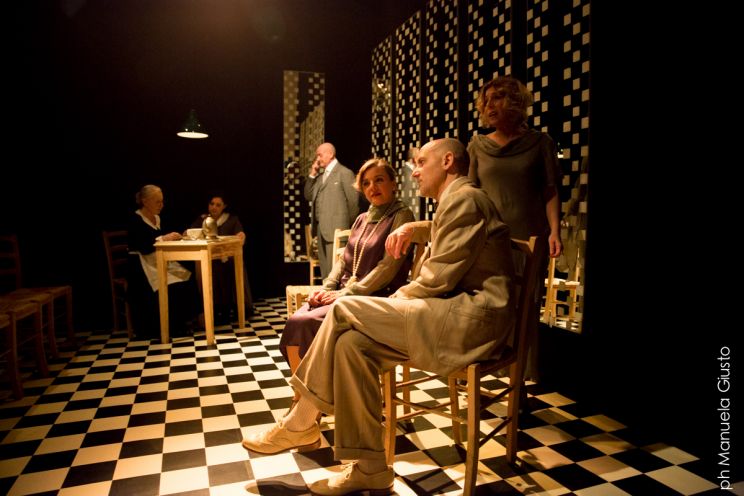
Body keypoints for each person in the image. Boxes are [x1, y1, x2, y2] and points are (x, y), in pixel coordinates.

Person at [242, 138, 515, 495]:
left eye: (421, 162)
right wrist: (415, 228)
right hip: (452, 313)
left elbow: (438, 277)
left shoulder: (465, 199)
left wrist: (397, 298)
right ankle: (369, 468)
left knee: (344, 308)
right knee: (351, 345)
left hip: (470, 322)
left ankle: (301, 420)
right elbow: (443, 236)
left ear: (448, 161)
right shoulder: (457, 200)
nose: (414, 171)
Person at [467, 75, 563, 380]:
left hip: (529, 235)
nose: (490, 105)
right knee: (492, 301)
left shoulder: (540, 143)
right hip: (490, 238)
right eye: (486, 100)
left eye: (498, 97)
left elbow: (550, 190)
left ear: (516, 101)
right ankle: (489, 366)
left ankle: (521, 373)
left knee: (526, 303)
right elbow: (469, 192)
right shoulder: (478, 145)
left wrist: (555, 231)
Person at [280, 158, 414, 373]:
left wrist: (345, 293)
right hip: (345, 293)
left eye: (379, 180)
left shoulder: (402, 216)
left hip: (374, 297)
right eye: (366, 183)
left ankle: (316, 387)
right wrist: (326, 289)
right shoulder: (361, 218)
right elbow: (344, 259)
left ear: (393, 183)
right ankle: (302, 389)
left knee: (305, 321)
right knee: (296, 321)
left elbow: (387, 268)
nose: (372, 187)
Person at [127, 184, 198, 340]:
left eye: (162, 201)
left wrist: (178, 236)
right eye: (157, 202)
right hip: (141, 266)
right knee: (170, 283)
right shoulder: (135, 219)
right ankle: (163, 326)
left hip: (159, 261)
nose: (161, 205)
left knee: (186, 276)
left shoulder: (158, 218)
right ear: (145, 201)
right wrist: (164, 238)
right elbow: (141, 245)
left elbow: (163, 239)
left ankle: (181, 323)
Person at [188, 192, 255, 323]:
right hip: (209, 258)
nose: (214, 207)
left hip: (228, 258)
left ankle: (238, 308)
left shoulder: (231, 219)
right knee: (203, 267)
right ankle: (212, 309)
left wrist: (241, 236)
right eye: (212, 204)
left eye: (218, 205)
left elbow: (240, 234)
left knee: (231, 265)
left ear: (224, 206)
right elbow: (191, 232)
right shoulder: (203, 220)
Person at [303, 142, 360, 278]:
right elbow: (308, 195)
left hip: (337, 229)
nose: (318, 159)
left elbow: (354, 203)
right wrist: (313, 173)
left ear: (330, 154)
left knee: (335, 273)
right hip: (321, 231)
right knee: (325, 272)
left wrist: (345, 225)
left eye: (320, 155)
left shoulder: (344, 173)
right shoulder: (320, 177)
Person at [398, 146, 420, 219]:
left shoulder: (408, 171)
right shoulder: (406, 172)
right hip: (410, 213)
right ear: (413, 159)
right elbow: (405, 196)